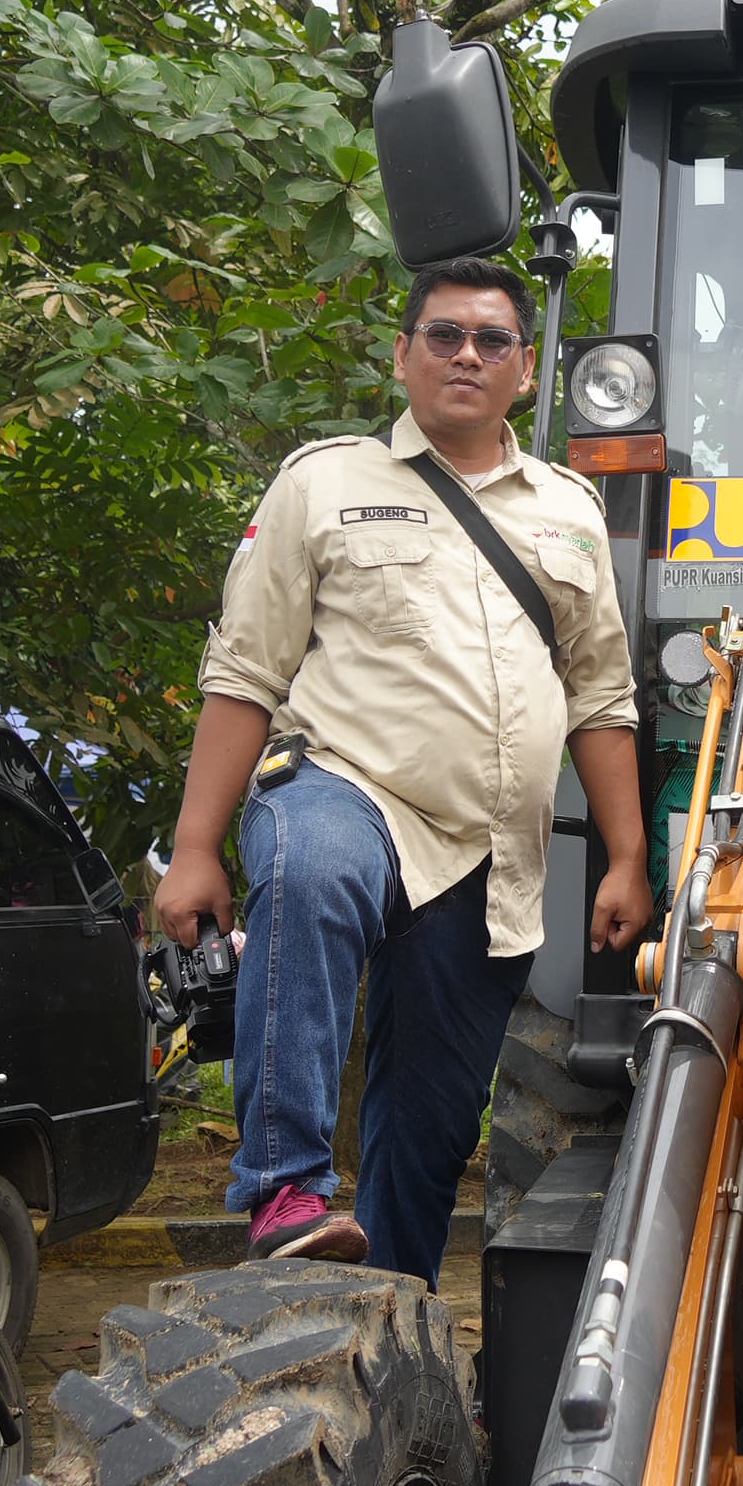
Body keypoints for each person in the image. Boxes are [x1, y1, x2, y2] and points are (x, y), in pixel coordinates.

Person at [155, 261, 655, 1277]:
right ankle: (283, 1186)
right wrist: (196, 848)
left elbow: (601, 695)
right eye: (443, 335)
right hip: (348, 787)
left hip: (489, 855)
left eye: (491, 339)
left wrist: (627, 856)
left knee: (428, 1131)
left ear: (524, 370)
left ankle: (394, 1321)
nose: (466, 353)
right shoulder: (322, 482)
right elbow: (245, 670)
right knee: (314, 873)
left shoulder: (567, 509)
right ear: (402, 354)